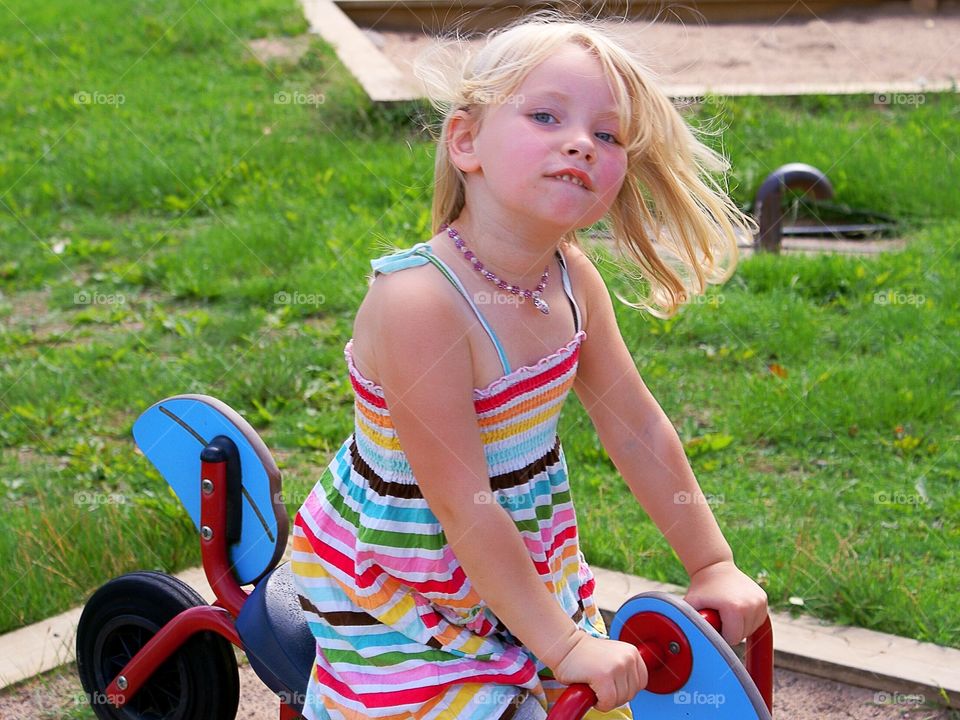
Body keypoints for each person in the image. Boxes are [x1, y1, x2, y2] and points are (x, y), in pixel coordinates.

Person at [291, 14, 767, 720]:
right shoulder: (419, 302)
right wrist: (566, 645)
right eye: (546, 116)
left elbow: (634, 425)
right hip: (402, 585)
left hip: (517, 558)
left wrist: (711, 563)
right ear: (466, 141)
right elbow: (459, 504)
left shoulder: (571, 281)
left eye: (608, 135)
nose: (581, 141)